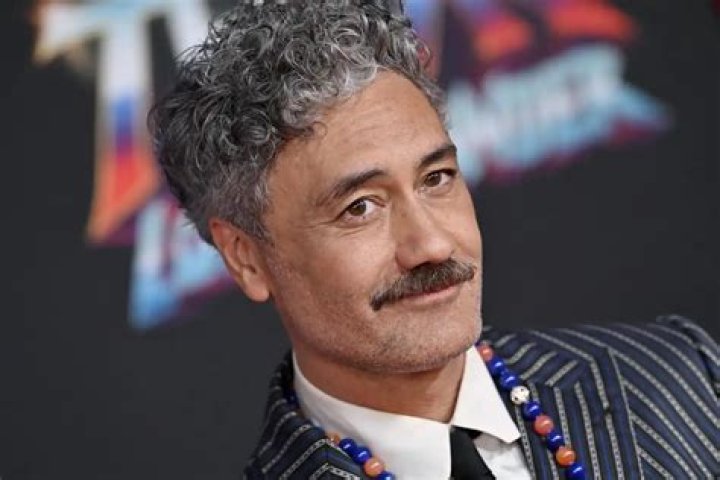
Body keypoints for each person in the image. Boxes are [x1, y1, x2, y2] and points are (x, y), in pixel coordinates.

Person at [149, 1, 719, 478]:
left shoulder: (678, 378)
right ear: (246, 258)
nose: (432, 245)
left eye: (436, 178)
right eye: (360, 207)